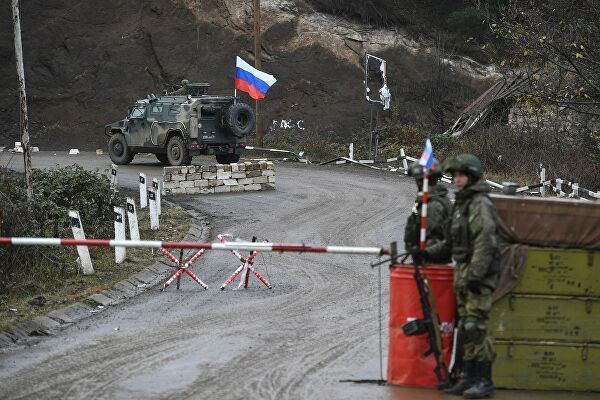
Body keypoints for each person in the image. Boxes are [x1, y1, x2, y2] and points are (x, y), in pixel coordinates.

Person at [427, 153, 501, 399]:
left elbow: (486, 242)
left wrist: (476, 275)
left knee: (475, 326)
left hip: (477, 276)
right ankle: (469, 377)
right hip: (463, 273)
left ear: (472, 177)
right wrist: (424, 252)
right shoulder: (461, 204)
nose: (456, 180)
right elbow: (451, 242)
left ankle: (484, 380)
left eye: (461, 176)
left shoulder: (480, 203)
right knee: (465, 328)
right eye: (455, 176)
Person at [404, 160, 452, 264]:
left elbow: (434, 239)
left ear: (421, 182)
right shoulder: (436, 200)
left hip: (431, 266)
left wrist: (424, 254)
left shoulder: (433, 206)